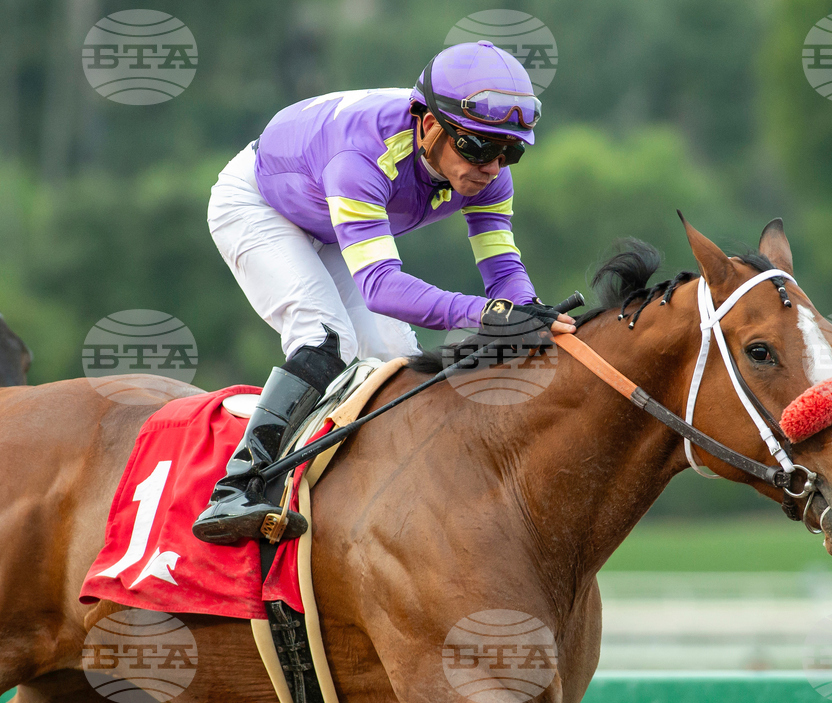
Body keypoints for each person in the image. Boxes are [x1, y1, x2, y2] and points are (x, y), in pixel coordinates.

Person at [193, 41, 576, 545]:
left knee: (395, 357)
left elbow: (503, 267)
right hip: (260, 204)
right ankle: (238, 485)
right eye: (478, 148)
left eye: (510, 152)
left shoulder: (491, 176)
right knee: (325, 338)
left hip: (326, 218)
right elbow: (380, 287)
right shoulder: (363, 158)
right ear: (427, 122)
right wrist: (489, 315)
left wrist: (528, 313)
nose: (491, 166)